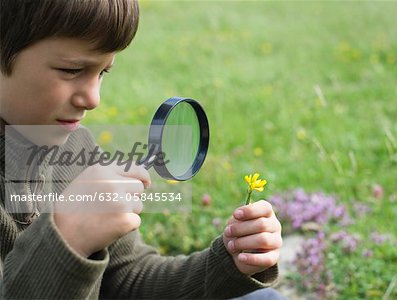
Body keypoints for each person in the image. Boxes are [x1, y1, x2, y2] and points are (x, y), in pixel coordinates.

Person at [0, 1, 284, 299]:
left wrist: (230, 264)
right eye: (71, 70)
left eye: (102, 72)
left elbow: (128, 279)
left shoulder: (75, 147)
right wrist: (67, 238)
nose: (93, 98)